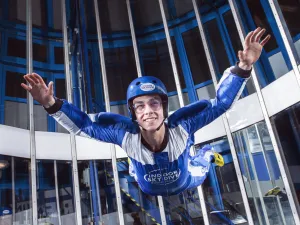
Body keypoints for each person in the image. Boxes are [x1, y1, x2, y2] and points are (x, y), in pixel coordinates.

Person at [21, 27, 270, 196]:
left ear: (164, 108)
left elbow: (221, 104)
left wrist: (243, 66)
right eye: (140, 105)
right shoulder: (124, 136)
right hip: (145, 186)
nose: (148, 110)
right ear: (133, 113)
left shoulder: (182, 127)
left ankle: (204, 152)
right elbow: (84, 126)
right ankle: (136, 163)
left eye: (154, 103)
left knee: (202, 163)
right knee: (133, 164)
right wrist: (50, 103)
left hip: (186, 180)